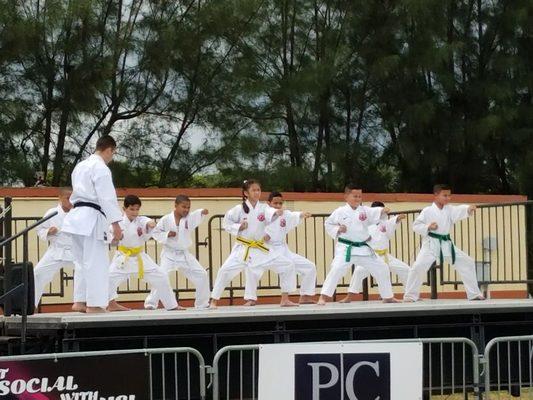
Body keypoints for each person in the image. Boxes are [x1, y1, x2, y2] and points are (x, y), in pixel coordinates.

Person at [210, 180, 297, 308]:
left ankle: (284, 299)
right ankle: (214, 300)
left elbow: (271, 215)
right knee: (225, 270)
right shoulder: (238, 209)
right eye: (253, 190)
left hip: (260, 248)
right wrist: (239, 226)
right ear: (246, 193)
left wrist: (276, 213)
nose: (257, 193)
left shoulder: (263, 208)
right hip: (243, 248)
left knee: (287, 264)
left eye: (258, 190)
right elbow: (226, 224)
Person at [61, 135, 123, 313]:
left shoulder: (80, 166)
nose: (112, 157)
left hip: (76, 217)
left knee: (81, 262)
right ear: (109, 149)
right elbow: (107, 197)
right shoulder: (100, 167)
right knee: (96, 262)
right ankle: (95, 304)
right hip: (92, 218)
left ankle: (80, 301)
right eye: (113, 153)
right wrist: (116, 225)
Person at [318, 184, 399, 305]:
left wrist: (382, 210)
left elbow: (374, 212)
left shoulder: (364, 210)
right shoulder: (340, 211)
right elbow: (328, 224)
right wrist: (338, 229)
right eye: (354, 196)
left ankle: (387, 296)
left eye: (360, 196)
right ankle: (323, 297)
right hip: (346, 248)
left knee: (382, 267)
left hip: (363, 248)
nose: (357, 198)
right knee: (336, 269)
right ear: (346, 196)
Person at [403, 184, 485, 302]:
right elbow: (416, 225)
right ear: (436, 196)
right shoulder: (427, 211)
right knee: (418, 266)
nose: (448, 198)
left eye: (449, 195)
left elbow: (459, 210)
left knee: (467, 262)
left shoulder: (449, 209)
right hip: (431, 243)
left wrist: (468, 208)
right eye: (445, 195)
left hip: (446, 244)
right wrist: (428, 227)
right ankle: (410, 296)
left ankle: (474, 294)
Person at [107, 195, 181, 311]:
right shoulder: (117, 224)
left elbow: (148, 222)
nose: (135, 212)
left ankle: (172, 305)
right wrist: (116, 238)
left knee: (161, 276)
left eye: (137, 209)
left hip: (140, 257)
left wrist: (151, 224)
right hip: (123, 258)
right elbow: (112, 243)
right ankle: (111, 304)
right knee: (108, 279)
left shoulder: (141, 220)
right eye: (132, 209)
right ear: (124, 209)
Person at [145, 195, 210, 310]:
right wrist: (167, 234)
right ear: (175, 206)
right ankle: (151, 303)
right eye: (183, 207)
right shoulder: (165, 219)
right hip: (169, 254)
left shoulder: (189, 218)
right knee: (161, 276)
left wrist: (201, 212)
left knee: (202, 274)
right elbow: (155, 232)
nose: (186, 209)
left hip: (184, 254)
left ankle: (202, 303)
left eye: (188, 207)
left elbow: (195, 215)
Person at [341, 201, 410, 302]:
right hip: (370, 256)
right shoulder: (365, 224)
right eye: (379, 212)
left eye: (383, 212)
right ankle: (349, 297)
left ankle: (410, 295)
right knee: (359, 271)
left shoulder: (385, 223)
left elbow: (392, 222)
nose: (382, 214)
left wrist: (398, 218)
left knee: (406, 270)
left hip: (385, 256)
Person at [260, 191, 316, 304]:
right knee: (286, 266)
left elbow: (294, 215)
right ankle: (284, 299)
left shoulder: (284, 214)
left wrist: (302, 214)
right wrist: (263, 237)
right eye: (275, 203)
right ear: (268, 203)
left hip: (283, 249)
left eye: (280, 203)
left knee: (310, 266)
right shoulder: (262, 215)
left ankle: (305, 296)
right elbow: (255, 231)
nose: (278, 206)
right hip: (267, 250)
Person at [33, 187, 83, 309]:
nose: (71, 201)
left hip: (75, 250)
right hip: (56, 250)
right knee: (37, 273)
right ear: (60, 198)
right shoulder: (51, 213)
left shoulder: (79, 213)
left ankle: (82, 302)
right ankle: (31, 305)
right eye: (68, 198)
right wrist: (48, 232)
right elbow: (39, 229)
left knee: (86, 271)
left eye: (73, 198)